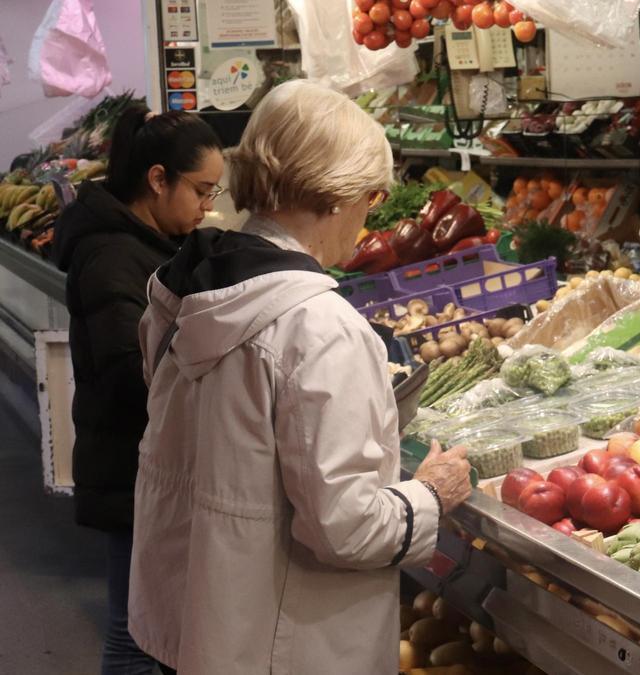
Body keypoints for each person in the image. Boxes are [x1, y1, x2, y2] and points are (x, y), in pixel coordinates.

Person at [127, 80, 472, 674]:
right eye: (371, 196)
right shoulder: (321, 329)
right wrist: (431, 493)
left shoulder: (184, 287)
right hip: (280, 643)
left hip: (197, 620)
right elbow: (348, 530)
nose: (369, 217)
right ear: (337, 197)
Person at [53, 106, 223, 675]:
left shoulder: (144, 242)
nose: (207, 205)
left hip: (144, 465)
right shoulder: (111, 257)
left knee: (161, 629)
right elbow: (135, 372)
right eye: (200, 190)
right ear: (157, 179)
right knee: (136, 638)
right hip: (130, 469)